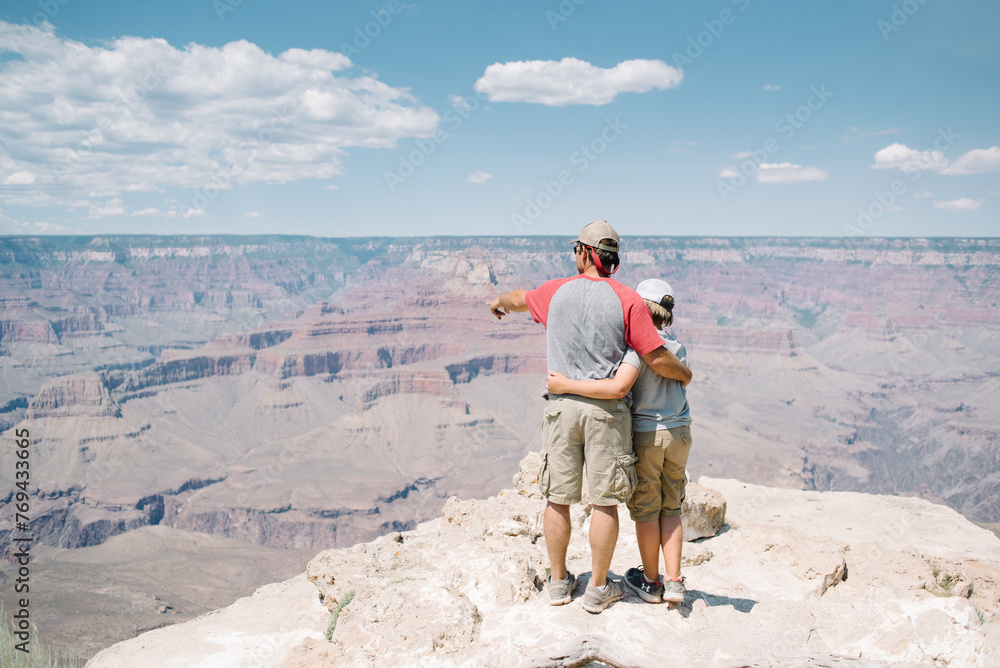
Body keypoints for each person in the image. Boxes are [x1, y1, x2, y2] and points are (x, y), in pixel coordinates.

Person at [487, 222, 691, 613]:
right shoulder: (628, 299)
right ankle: (598, 589)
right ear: (613, 259)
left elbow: (517, 298)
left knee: (557, 498)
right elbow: (656, 355)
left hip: (561, 407)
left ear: (583, 252)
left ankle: (560, 583)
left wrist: (498, 301)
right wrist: (686, 374)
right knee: (604, 503)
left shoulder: (554, 292)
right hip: (607, 414)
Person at [546, 278, 693, 604]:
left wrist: (565, 384)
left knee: (645, 510)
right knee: (671, 507)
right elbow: (683, 375)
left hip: (647, 435)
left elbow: (619, 388)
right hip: (680, 433)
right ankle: (675, 581)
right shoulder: (678, 347)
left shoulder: (636, 349)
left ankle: (651, 582)